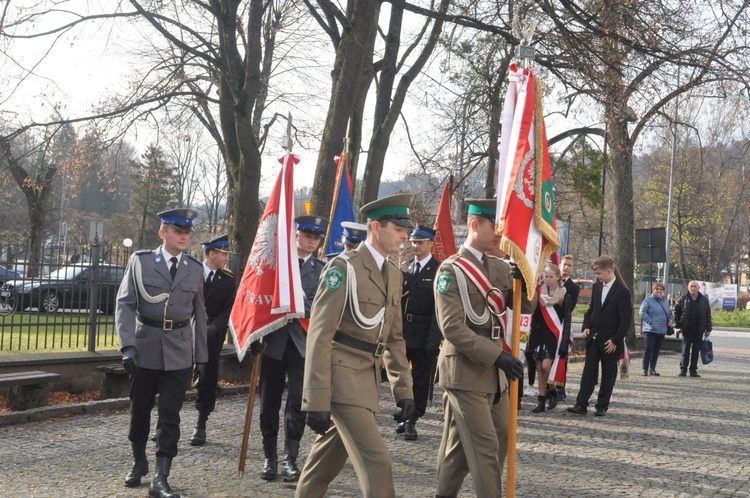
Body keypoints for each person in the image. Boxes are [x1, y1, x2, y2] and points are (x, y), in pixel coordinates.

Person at [295, 194, 415, 498]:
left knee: (323, 465)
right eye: (399, 229)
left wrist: (404, 391)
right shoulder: (343, 268)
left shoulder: (395, 273)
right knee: (377, 463)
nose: (405, 235)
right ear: (376, 227)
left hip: (367, 380)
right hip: (341, 380)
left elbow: (394, 338)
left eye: (406, 230)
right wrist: (316, 399)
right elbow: (320, 335)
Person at [433, 198, 530, 498]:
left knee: (468, 447)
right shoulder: (451, 271)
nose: (500, 234)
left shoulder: (500, 268)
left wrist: (525, 282)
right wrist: (498, 355)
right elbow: (452, 328)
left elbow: (525, 306)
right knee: (485, 445)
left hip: (494, 374)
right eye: (495, 227)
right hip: (464, 371)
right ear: (475, 225)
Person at [116, 208, 208, 498]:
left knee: (171, 414)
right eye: (177, 230)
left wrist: (201, 357)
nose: (184, 236)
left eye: (187, 232)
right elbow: (125, 304)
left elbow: (200, 315)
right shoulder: (141, 261)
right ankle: (139, 461)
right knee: (139, 410)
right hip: (145, 348)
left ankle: (161, 476)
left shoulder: (194, 268)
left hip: (180, 350)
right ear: (162, 232)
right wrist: (127, 345)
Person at [258, 215, 328, 482]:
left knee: (297, 403)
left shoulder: (322, 270)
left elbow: (319, 306)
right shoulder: (278, 266)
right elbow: (261, 300)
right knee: (268, 404)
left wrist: (290, 302)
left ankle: (290, 458)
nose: (312, 240)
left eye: (316, 237)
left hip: (302, 343)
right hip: (273, 341)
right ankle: (269, 458)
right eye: (307, 235)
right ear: (296, 235)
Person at [567, 255, 631, 417]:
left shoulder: (622, 291)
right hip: (594, 338)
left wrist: (616, 340)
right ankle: (581, 403)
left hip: (610, 340)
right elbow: (591, 310)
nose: (596, 277)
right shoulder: (597, 287)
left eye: (599, 274)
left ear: (609, 271)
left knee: (608, 373)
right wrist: (586, 326)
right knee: (589, 371)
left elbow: (625, 320)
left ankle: (602, 405)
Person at [397, 225, 443, 441]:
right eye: (413, 242)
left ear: (430, 243)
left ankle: (413, 419)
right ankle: (404, 410)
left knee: (421, 379)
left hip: (425, 332)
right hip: (404, 331)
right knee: (401, 376)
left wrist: (435, 337)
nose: (415, 246)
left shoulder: (438, 270)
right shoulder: (405, 267)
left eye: (420, 242)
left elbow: (440, 308)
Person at [190, 234, 236, 446]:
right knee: (174, 374)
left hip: (212, 334)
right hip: (187, 331)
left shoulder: (227, 279)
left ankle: (201, 423)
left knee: (208, 378)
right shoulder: (191, 273)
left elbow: (229, 308)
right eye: (223, 254)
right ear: (212, 254)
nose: (227, 258)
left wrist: (215, 326)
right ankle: (166, 421)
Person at [527, 263, 571, 413]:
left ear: (558, 277)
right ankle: (541, 399)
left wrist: (565, 341)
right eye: (546, 276)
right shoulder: (540, 293)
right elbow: (535, 314)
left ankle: (552, 390)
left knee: (546, 366)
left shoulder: (564, 294)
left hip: (554, 335)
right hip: (539, 334)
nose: (548, 279)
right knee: (539, 367)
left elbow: (567, 319)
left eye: (551, 277)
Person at [674, 280, 712, 377]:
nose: (693, 288)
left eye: (695, 286)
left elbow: (708, 315)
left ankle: (693, 370)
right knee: (685, 350)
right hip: (687, 329)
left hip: (699, 329)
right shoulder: (683, 299)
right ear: (688, 287)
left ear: (698, 288)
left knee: (695, 351)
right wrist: (677, 326)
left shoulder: (704, 299)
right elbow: (676, 313)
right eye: (691, 286)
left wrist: (708, 329)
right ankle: (683, 370)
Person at [556, 254, 580, 400]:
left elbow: (569, 309)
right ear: (560, 264)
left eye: (569, 265)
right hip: (546, 326)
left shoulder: (573, 287)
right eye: (564, 264)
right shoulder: (550, 281)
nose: (566, 268)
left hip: (562, 326)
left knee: (561, 357)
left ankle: (560, 387)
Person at [638, 282, 674, 377]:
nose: (659, 291)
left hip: (661, 330)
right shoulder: (648, 300)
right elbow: (642, 312)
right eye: (657, 289)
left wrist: (671, 320)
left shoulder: (665, 302)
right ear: (653, 290)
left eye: (661, 289)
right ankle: (644, 369)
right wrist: (650, 321)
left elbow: (670, 314)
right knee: (648, 349)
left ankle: (652, 368)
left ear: (663, 291)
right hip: (650, 330)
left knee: (656, 350)